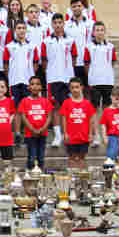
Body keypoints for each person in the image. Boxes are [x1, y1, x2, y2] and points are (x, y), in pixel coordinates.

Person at [41, 13, 77, 147]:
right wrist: (51, 71)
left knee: (67, 106)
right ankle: (57, 136)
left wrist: (68, 72)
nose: (57, 25)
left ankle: (68, 133)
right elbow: (44, 61)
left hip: (67, 78)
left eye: (60, 22)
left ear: (63, 23)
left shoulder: (70, 40)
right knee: (55, 107)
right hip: (53, 78)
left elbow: (73, 58)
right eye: (55, 22)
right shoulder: (46, 41)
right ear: (52, 24)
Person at [85, 21, 117, 147]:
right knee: (94, 109)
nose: (99, 32)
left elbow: (112, 62)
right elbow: (87, 64)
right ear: (93, 33)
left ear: (105, 32)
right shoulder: (89, 47)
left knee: (106, 108)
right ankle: (96, 135)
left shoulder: (110, 46)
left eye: (101, 30)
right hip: (95, 81)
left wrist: (107, 73)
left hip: (108, 81)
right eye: (97, 30)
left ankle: (107, 133)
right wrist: (92, 76)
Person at [18, 76, 54, 171]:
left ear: (41, 87)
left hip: (43, 133)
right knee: (32, 157)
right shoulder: (24, 101)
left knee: (41, 157)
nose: (35, 86)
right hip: (30, 134)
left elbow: (49, 116)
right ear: (28, 87)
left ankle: (40, 175)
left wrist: (43, 128)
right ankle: (30, 175)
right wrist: (32, 129)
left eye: (37, 84)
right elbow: (23, 117)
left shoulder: (45, 101)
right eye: (32, 84)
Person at [59, 78, 95, 170]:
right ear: (69, 89)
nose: (75, 89)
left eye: (77, 87)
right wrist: (65, 133)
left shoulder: (87, 103)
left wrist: (91, 134)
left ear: (81, 88)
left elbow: (91, 119)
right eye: (72, 87)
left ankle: (82, 176)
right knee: (72, 157)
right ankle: (72, 177)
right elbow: (63, 119)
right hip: (71, 136)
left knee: (82, 157)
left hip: (83, 136)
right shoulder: (66, 103)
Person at [3, 21, 39, 109]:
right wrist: (10, 77)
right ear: (15, 30)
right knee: (15, 108)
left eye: (23, 28)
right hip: (14, 81)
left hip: (28, 82)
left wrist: (30, 75)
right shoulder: (9, 47)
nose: (21, 30)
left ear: (26, 30)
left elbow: (35, 63)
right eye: (19, 28)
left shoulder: (32, 46)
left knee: (28, 107)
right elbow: (6, 64)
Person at [65, 0, 94, 86]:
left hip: (86, 62)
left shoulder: (91, 23)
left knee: (87, 89)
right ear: (70, 9)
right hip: (71, 63)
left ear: (83, 7)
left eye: (79, 6)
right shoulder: (66, 25)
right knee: (72, 89)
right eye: (74, 6)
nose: (76, 8)